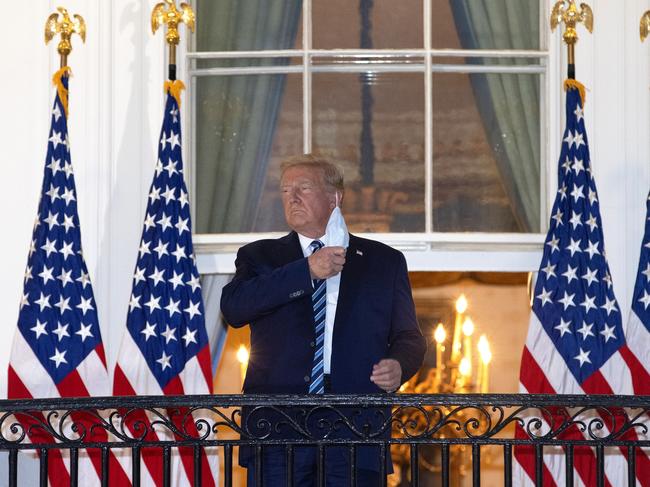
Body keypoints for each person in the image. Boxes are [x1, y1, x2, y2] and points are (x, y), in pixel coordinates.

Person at [220, 154, 426, 486]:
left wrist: (400, 365)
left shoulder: (383, 261)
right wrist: (307, 271)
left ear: (335, 197)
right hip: (277, 426)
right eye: (285, 191)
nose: (292, 197)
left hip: (357, 425)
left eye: (303, 187)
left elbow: (409, 336)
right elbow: (234, 309)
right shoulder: (259, 256)